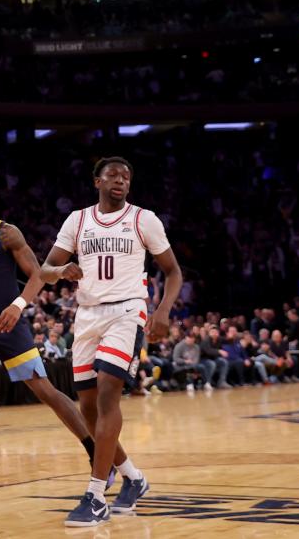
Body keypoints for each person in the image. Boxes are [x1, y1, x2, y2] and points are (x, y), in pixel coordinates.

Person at [0, 178, 110, 500]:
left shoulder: (7, 233)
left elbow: (37, 274)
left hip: (7, 322)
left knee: (44, 390)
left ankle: (96, 453)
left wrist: (18, 306)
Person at [41, 157, 182, 527]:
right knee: (87, 407)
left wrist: (163, 311)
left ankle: (95, 494)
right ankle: (133, 477)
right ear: (96, 181)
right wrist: (61, 270)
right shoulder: (78, 220)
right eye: (113, 175)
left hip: (126, 311)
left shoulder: (143, 219)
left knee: (107, 394)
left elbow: (172, 271)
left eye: (126, 177)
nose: (120, 181)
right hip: (86, 315)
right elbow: (46, 268)